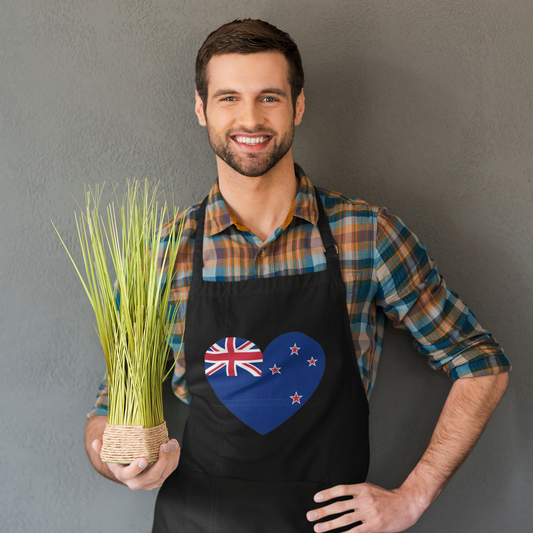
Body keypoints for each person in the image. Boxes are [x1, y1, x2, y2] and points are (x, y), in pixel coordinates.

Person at [85, 19, 510, 533]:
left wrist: (412, 497)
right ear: (201, 110)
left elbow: (481, 363)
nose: (250, 117)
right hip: (196, 520)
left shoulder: (366, 234)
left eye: (269, 97)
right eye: (228, 98)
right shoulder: (164, 254)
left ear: (298, 105)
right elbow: (109, 411)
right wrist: (120, 463)